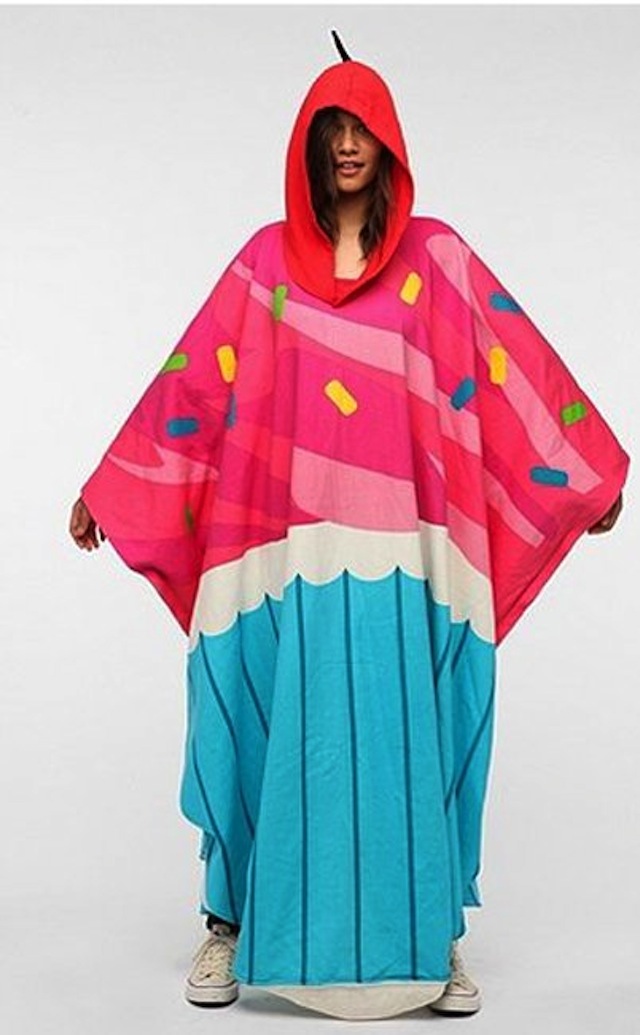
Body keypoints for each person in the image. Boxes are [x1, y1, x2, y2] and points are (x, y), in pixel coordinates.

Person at [69, 33, 628, 1021]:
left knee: (420, 725)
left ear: (391, 142)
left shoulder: (438, 260)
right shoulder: (263, 264)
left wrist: (586, 474)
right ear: (308, 144)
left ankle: (432, 934)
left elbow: (509, 367)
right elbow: (193, 382)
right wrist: (113, 489)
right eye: (330, 127)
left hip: (407, 555)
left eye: (362, 126)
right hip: (281, 552)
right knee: (251, 714)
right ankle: (228, 923)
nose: (346, 144)